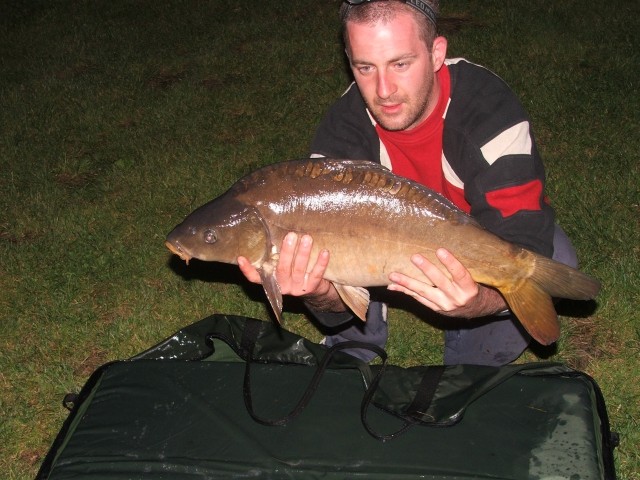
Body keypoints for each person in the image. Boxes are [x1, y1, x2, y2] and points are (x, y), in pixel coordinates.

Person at [238, 0, 578, 366]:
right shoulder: (345, 129)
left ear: (436, 53)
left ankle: (467, 331)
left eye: (400, 64)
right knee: (342, 332)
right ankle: (370, 316)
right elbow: (326, 292)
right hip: (371, 243)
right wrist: (319, 291)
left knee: (552, 258)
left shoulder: (488, 112)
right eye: (364, 67)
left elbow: (524, 233)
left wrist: (475, 302)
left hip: (468, 231)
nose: (383, 90)